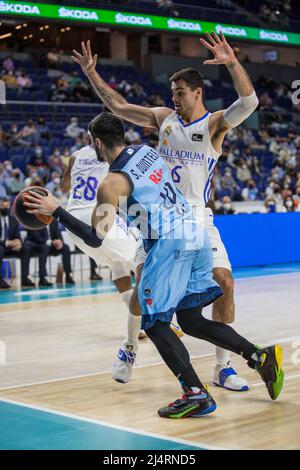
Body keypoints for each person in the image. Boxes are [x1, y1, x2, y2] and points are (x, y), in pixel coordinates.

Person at [24, 112, 284, 418]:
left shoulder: (111, 183)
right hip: (194, 233)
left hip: (168, 243)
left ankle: (195, 392)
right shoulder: (147, 152)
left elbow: (96, 239)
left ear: (97, 143)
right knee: (189, 320)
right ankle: (258, 356)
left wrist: (57, 211)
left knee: (155, 322)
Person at [71, 34, 259, 391]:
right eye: (172, 92)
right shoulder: (163, 119)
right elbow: (120, 107)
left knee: (225, 283)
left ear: (197, 93)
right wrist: (93, 75)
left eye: (180, 92)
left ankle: (223, 366)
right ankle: (129, 348)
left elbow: (249, 102)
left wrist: (232, 62)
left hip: (198, 218)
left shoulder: (214, 125)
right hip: (160, 215)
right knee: (143, 291)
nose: (174, 98)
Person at [61, 137, 147, 377]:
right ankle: (155, 319)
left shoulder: (75, 156)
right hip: (96, 213)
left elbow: (65, 186)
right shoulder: (114, 156)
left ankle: (137, 324)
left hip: (73, 221)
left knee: (116, 263)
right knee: (143, 263)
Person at [0, 197, 32, 288]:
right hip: (2, 246)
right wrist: (7, 243)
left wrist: (18, 242)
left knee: (26, 247)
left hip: (11, 247)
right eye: (2, 206)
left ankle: (25, 278)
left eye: (7, 206)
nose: (5, 208)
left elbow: (17, 236)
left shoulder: (13, 219)